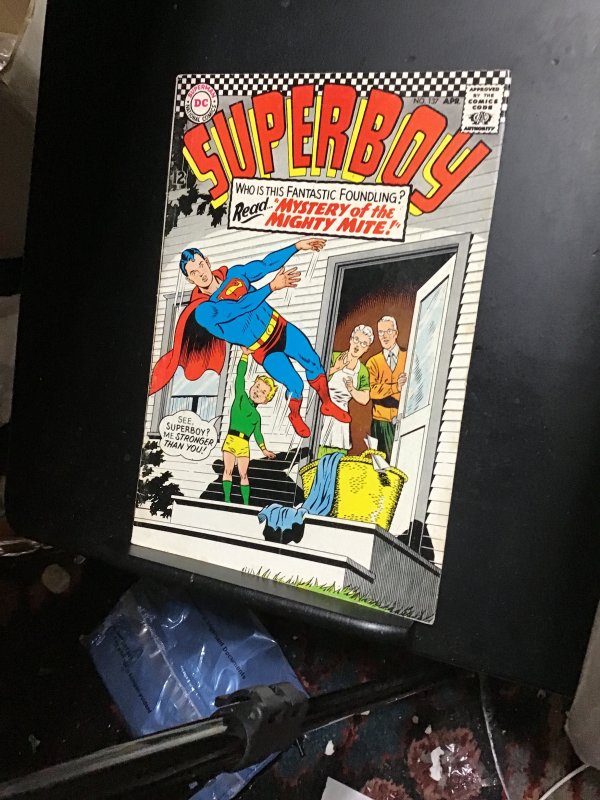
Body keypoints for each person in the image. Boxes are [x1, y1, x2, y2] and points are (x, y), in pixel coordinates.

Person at [149, 238, 350, 439]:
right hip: (264, 349)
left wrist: (297, 247)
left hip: (281, 327)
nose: (201, 273)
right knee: (295, 384)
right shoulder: (203, 310)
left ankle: (327, 404)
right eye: (193, 272)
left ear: (207, 261)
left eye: (201, 265)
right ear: (189, 279)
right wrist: (271, 287)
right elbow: (239, 308)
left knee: (313, 362)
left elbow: (266, 264)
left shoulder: (235, 274)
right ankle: (295, 415)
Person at [222, 348, 277, 505]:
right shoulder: (241, 396)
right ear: (252, 386)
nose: (258, 392)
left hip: (244, 444)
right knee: (228, 470)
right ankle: (226, 500)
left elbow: (258, 434)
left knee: (243, 474)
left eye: (263, 392)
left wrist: (264, 450)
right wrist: (245, 356)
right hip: (231, 439)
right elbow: (240, 376)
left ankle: (246, 503)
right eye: (257, 387)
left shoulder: (256, 416)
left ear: (266, 400)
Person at [318, 325, 373, 458]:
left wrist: (352, 389)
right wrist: (336, 368)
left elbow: (365, 399)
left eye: (363, 343)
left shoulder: (362, 371)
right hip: (323, 412)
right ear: (350, 339)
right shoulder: (334, 357)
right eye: (356, 340)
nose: (358, 345)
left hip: (341, 417)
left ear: (367, 348)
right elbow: (316, 378)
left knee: (337, 455)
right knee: (318, 452)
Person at [366, 315, 407, 461]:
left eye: (388, 331)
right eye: (381, 332)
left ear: (396, 333)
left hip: (404, 418)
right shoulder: (373, 362)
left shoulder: (408, 357)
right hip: (381, 423)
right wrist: (396, 387)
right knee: (382, 465)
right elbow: (371, 390)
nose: (384, 336)